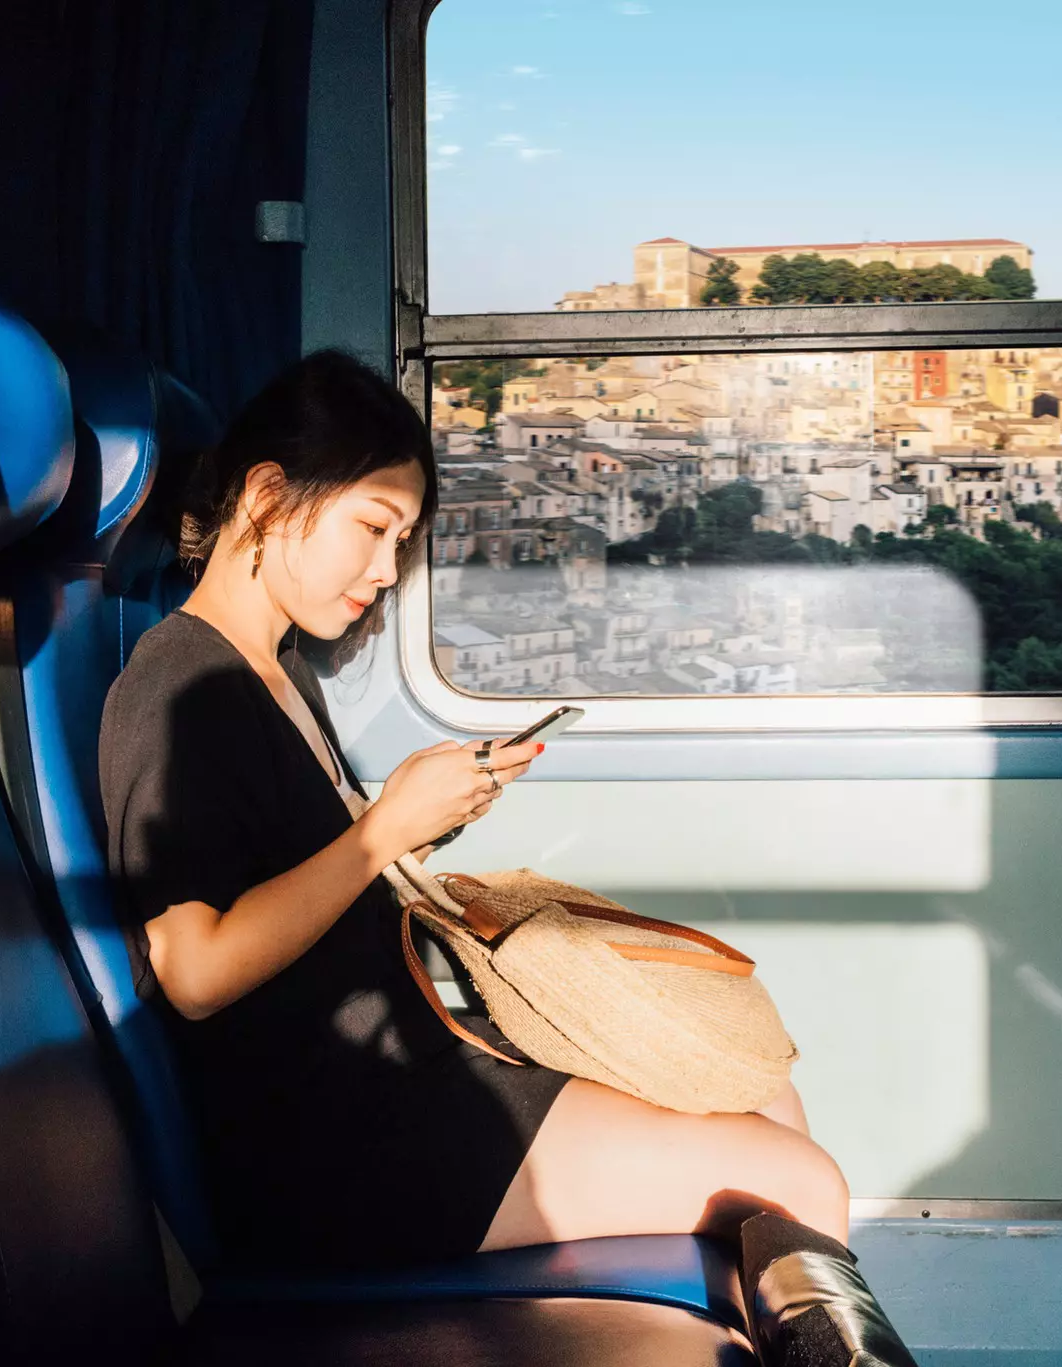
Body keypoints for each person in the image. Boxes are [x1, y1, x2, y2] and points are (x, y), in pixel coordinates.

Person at [99, 349, 849, 1274]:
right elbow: (195, 970)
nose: (385, 569)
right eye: (372, 527)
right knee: (803, 1184)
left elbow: (299, 859)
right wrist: (383, 831)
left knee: (762, 1092)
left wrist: (425, 815)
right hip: (330, 1140)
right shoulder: (176, 686)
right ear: (266, 495)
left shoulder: (278, 667)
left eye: (400, 541)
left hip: (401, 1064)